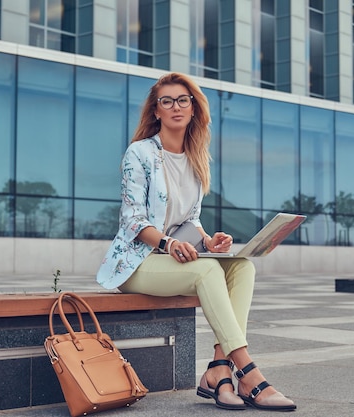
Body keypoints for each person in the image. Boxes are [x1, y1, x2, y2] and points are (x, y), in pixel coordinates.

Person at [96, 72, 296, 412]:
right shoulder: (140, 153)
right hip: (137, 263)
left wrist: (208, 240)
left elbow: (188, 219)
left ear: (193, 109)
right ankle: (248, 373)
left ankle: (219, 369)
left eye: (183, 100)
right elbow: (134, 220)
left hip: (174, 260)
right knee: (207, 273)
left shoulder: (196, 157)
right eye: (167, 101)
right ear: (156, 111)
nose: (176, 106)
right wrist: (168, 245)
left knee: (242, 267)